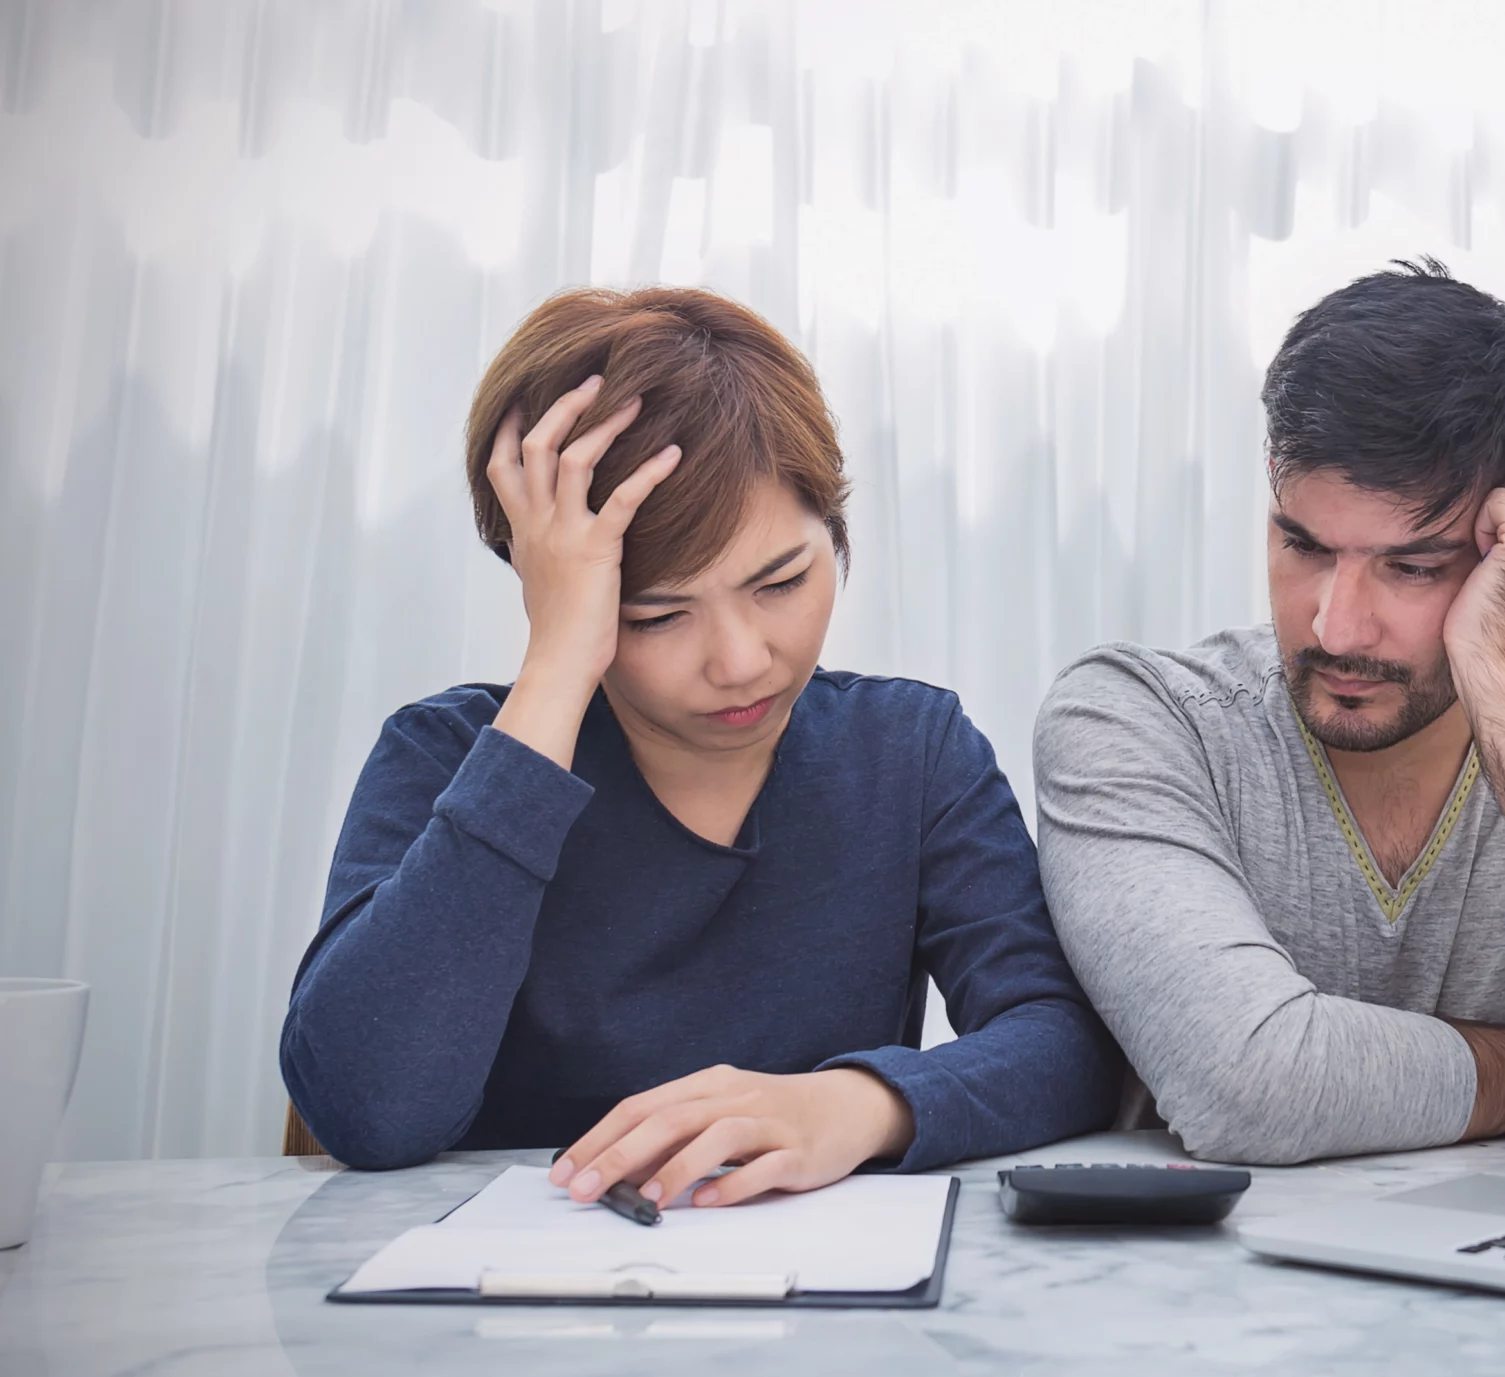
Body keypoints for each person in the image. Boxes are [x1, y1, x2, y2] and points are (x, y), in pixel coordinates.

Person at [281, 287, 1120, 1205]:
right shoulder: (447, 758)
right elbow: (368, 1108)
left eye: (782, 580)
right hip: (511, 1309)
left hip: (820, 1299)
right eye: (658, 615)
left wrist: (853, 1105)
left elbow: (1063, 1040)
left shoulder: (911, 752)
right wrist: (558, 665)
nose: (741, 660)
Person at [1034, 260, 1505, 1166]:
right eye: (1303, 546)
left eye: (1415, 567)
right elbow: (1249, 1086)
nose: (1336, 624)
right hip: (1218, 1297)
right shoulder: (1141, 722)